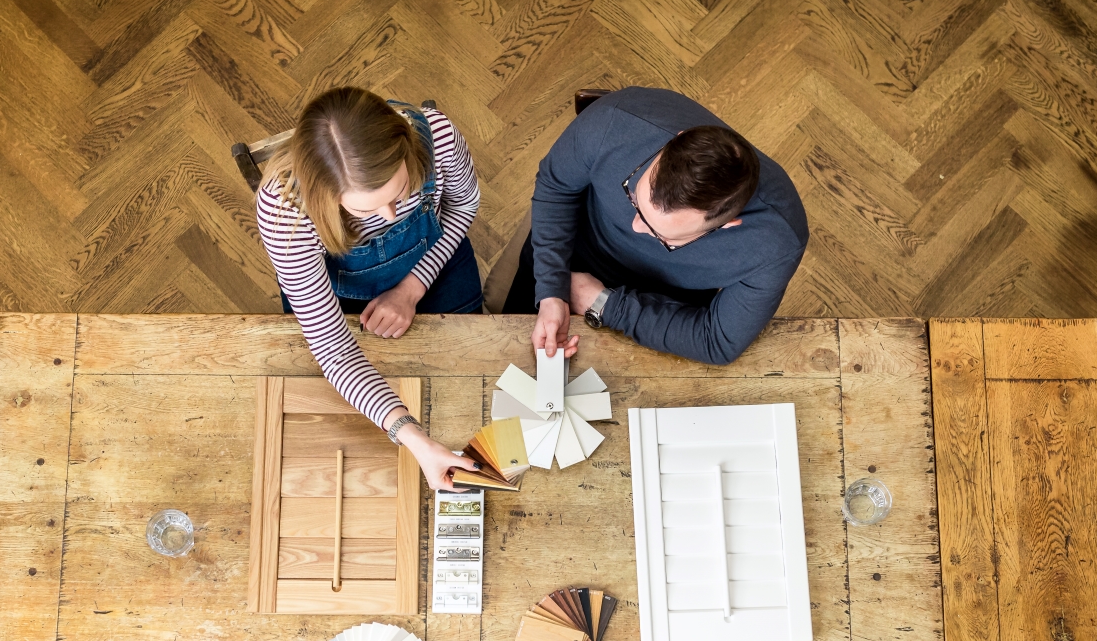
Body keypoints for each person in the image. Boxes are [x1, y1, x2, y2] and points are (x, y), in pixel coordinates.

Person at [257, 87, 482, 490]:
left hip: (436, 257)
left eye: (403, 190)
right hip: (340, 292)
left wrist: (412, 288)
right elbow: (334, 351)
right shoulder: (283, 210)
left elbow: (463, 207)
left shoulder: (440, 136)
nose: (390, 214)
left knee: (472, 363)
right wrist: (414, 437)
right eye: (364, 209)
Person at [503, 87, 809, 364]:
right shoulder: (612, 121)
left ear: (728, 225)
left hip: (666, 306)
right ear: (673, 140)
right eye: (634, 198)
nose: (636, 228)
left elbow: (717, 341)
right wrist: (551, 288)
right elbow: (556, 188)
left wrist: (606, 304)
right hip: (566, 253)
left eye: (663, 236)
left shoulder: (776, 240)